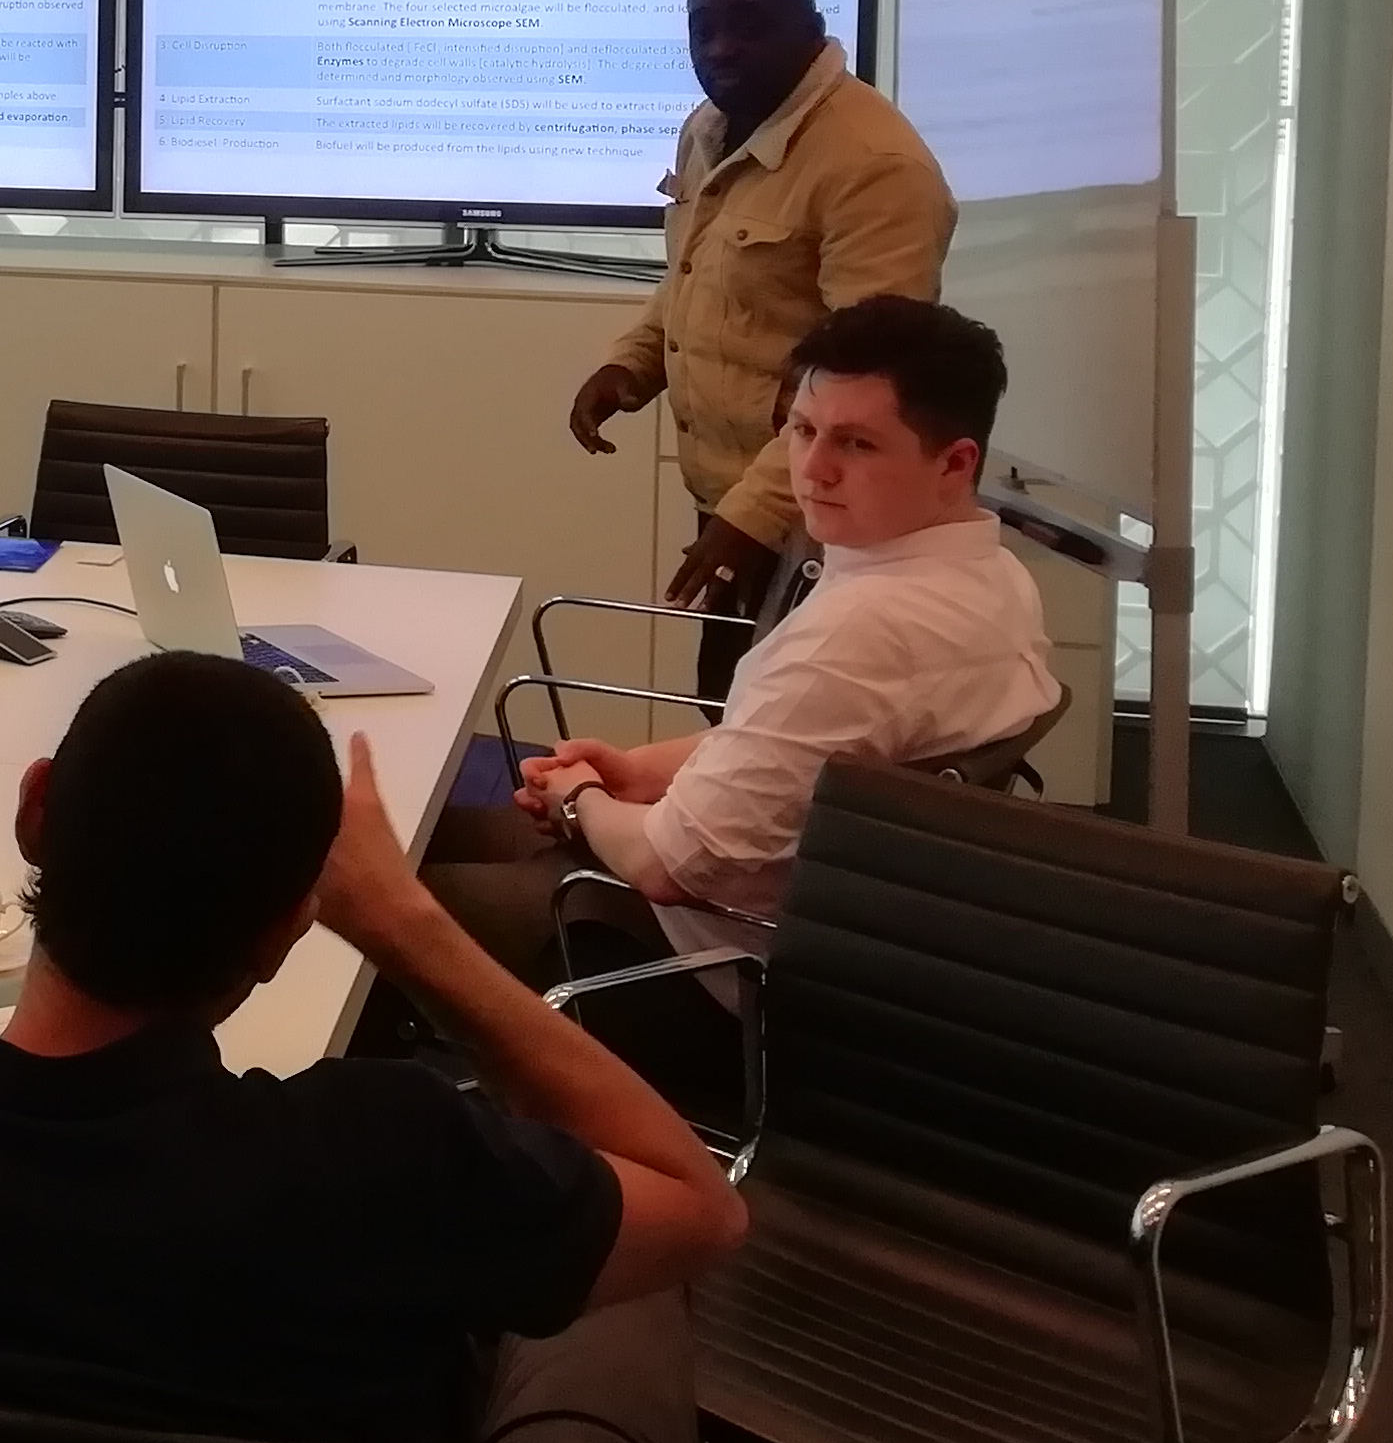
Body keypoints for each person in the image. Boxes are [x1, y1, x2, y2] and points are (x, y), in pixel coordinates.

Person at [0, 654, 745, 1443]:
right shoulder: (384, 1161)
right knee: (608, 1276)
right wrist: (400, 921)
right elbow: (699, 1211)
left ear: (33, 811)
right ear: (287, 928)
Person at [437, 295, 1060, 977]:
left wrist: (582, 800)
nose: (814, 469)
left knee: (370, 895)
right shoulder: (994, 575)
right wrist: (636, 771)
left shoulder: (858, 635)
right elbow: (807, 742)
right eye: (802, 429)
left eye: (856, 443)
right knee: (418, 833)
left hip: (704, 958)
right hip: (821, 923)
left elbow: (663, 867)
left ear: (954, 463)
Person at [568, 0, 954, 691]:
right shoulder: (709, 128)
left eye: (749, 25)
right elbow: (692, 277)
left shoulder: (874, 165)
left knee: (797, 751)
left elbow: (863, 384)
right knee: (729, 710)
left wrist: (749, 517)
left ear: (812, 28)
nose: (720, 48)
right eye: (702, 28)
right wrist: (630, 364)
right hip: (734, 501)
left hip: (831, 526)